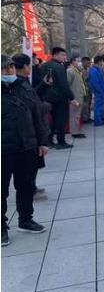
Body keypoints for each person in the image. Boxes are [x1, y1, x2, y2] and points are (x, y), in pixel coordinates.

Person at [2, 55, 48, 246]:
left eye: (11, 68)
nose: (9, 71)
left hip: (27, 145)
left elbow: (37, 115)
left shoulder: (23, 87)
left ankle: (25, 219)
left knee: (26, 185)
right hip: (4, 148)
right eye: (4, 69)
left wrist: (42, 142)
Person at [12, 53, 50, 201]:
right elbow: (31, 106)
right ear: (26, 66)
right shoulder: (18, 85)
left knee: (33, 164)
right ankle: (29, 191)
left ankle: (32, 187)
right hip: (27, 133)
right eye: (31, 63)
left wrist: (45, 85)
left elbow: (34, 98)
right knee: (27, 167)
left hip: (33, 130)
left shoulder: (24, 82)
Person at [40, 47, 74, 149]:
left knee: (52, 120)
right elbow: (64, 85)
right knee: (61, 120)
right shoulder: (59, 67)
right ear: (55, 55)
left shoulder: (44, 65)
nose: (64, 57)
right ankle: (61, 141)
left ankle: (50, 140)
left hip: (48, 97)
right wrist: (71, 97)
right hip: (60, 98)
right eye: (62, 55)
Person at [67, 56, 87, 138]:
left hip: (79, 95)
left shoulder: (77, 71)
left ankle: (77, 130)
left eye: (80, 61)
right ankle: (74, 132)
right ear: (72, 62)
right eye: (77, 61)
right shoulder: (70, 71)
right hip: (74, 97)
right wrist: (71, 98)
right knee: (74, 115)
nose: (80, 63)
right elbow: (67, 85)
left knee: (77, 115)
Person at [88, 56, 104, 127]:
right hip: (98, 92)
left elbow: (102, 81)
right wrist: (100, 91)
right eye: (101, 61)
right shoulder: (94, 70)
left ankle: (99, 119)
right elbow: (95, 83)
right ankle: (98, 121)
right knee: (98, 106)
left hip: (101, 91)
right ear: (99, 61)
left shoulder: (98, 69)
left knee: (100, 106)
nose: (102, 63)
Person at [81, 57, 93, 123]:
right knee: (85, 104)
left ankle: (88, 117)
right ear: (83, 62)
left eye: (89, 63)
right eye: (87, 63)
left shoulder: (89, 69)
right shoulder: (80, 70)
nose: (88, 64)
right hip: (84, 89)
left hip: (89, 88)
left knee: (89, 103)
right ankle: (85, 118)